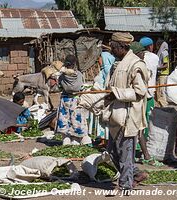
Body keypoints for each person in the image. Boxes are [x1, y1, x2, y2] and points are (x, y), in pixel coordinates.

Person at [79, 32, 149, 191]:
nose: (111, 50)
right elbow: (112, 87)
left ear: (123, 47)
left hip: (127, 116)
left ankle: (126, 185)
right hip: (115, 116)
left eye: (114, 47)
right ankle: (135, 174)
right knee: (112, 152)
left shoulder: (135, 65)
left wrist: (116, 93)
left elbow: (140, 92)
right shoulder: (118, 63)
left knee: (125, 153)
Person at [130, 42, 163, 167]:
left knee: (140, 128)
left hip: (141, 100)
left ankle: (144, 155)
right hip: (133, 102)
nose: (144, 54)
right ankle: (142, 156)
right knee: (136, 129)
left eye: (143, 51)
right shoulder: (133, 66)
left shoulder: (141, 64)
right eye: (141, 52)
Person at [56, 55, 91, 146]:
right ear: (74, 64)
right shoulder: (79, 74)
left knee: (65, 119)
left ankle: (66, 140)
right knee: (76, 119)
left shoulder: (62, 76)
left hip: (65, 99)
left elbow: (59, 86)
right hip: (75, 100)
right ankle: (77, 139)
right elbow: (81, 86)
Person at [156, 39, 170, 107]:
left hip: (163, 74)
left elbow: (166, 65)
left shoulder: (164, 53)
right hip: (161, 74)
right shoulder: (162, 52)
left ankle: (164, 106)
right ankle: (162, 105)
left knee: (162, 91)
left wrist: (157, 68)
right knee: (160, 90)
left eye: (157, 45)